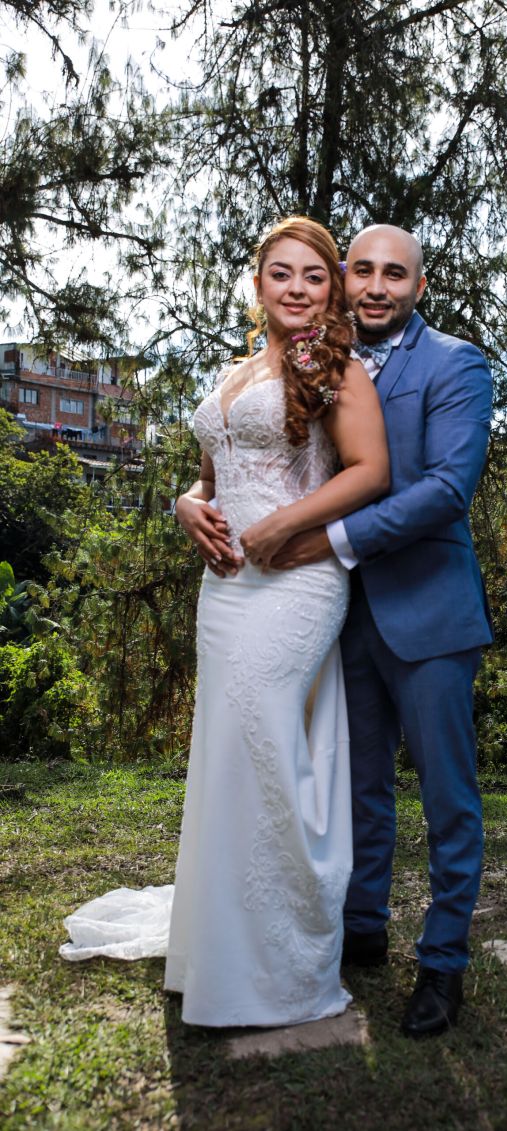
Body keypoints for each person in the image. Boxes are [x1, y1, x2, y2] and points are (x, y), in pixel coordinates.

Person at [60, 216, 389, 1029]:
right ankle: (217, 942)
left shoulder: (336, 367)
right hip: (225, 591)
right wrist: (183, 506)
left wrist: (284, 524)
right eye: (283, 274)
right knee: (226, 749)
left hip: (296, 581)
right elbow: (211, 477)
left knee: (266, 743)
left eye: (315, 276)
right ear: (259, 283)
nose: (298, 289)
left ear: (332, 288)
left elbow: (372, 472)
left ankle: (280, 952)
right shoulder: (238, 371)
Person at [268, 225, 494, 1039]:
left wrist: (329, 539)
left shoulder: (456, 364)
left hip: (429, 612)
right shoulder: (317, 363)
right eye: (360, 269)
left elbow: (445, 489)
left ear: (419, 286)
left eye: (393, 273)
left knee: (446, 798)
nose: (374, 286)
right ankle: (363, 927)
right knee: (356, 786)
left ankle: (442, 963)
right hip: (339, 612)